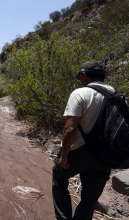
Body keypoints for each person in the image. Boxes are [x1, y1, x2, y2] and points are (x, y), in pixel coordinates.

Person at [52, 60, 113, 220]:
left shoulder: (81, 93)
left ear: (84, 75)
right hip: (105, 156)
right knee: (90, 198)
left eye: (80, 76)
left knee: (59, 178)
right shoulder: (117, 96)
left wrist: (64, 156)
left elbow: (70, 129)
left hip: (79, 151)